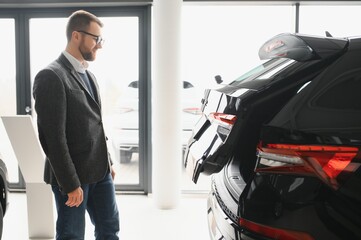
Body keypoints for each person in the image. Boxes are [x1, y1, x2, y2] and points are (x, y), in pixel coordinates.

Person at [33, 10, 120, 240]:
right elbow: (53, 138)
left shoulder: (89, 76)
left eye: (101, 39)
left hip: (100, 172)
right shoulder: (51, 76)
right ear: (76, 36)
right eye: (96, 39)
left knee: (109, 229)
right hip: (72, 177)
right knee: (71, 235)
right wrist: (71, 183)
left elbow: (96, 124)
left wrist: (107, 161)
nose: (99, 45)